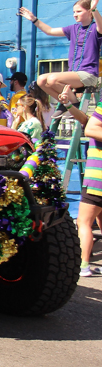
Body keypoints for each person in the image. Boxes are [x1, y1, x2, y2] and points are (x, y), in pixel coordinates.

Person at [18, 0, 102, 97]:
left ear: (89, 12)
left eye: (79, 11)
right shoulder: (73, 29)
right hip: (73, 73)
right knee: (41, 80)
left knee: (53, 79)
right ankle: (65, 102)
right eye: (74, 12)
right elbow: (50, 31)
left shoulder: (95, 28)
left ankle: (72, 103)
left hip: (88, 74)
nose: (75, 15)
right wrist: (34, 19)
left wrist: (94, 9)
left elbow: (100, 26)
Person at [76, 103, 102, 277]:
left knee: (83, 222)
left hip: (97, 178)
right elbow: (84, 119)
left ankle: (83, 265)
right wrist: (68, 103)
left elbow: (90, 128)